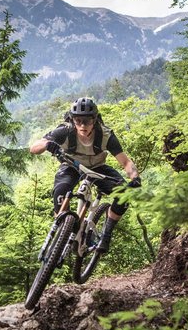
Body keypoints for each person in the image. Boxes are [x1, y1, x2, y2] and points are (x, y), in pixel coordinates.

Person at [29, 97, 141, 253]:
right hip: (71, 166)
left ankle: (106, 234)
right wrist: (48, 145)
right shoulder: (65, 130)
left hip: (98, 168)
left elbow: (126, 162)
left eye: (87, 121)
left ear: (94, 120)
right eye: (78, 120)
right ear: (73, 119)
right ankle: (62, 232)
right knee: (60, 192)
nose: (82, 125)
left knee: (124, 195)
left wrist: (135, 179)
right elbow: (34, 147)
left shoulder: (105, 135)